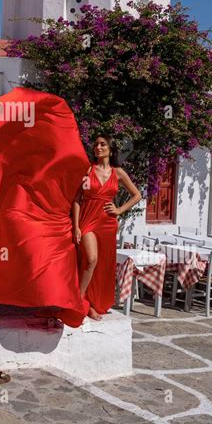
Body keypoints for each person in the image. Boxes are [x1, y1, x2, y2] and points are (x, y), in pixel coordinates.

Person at [72, 134, 141, 320]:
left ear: (110, 150)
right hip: (88, 221)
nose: (98, 147)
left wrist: (119, 210)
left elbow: (137, 195)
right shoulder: (88, 170)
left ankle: (91, 304)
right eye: (96, 145)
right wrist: (76, 226)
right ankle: (78, 301)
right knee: (91, 259)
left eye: (102, 144)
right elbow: (77, 199)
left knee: (101, 265)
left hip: (107, 223)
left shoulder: (118, 173)